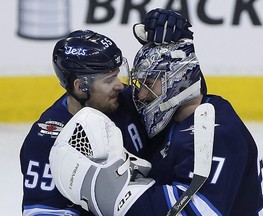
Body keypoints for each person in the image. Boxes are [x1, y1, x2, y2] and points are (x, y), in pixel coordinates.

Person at [47, 9, 263, 216]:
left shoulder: (218, 135)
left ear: (178, 78)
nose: (141, 94)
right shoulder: (179, 120)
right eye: (140, 83)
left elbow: (197, 210)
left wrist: (110, 194)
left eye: (149, 83)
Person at [20, 8, 194, 215]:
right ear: (80, 86)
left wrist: (180, 44)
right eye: (109, 79)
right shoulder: (47, 138)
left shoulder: (129, 101)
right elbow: (43, 211)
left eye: (117, 75)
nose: (120, 85)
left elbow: (190, 101)